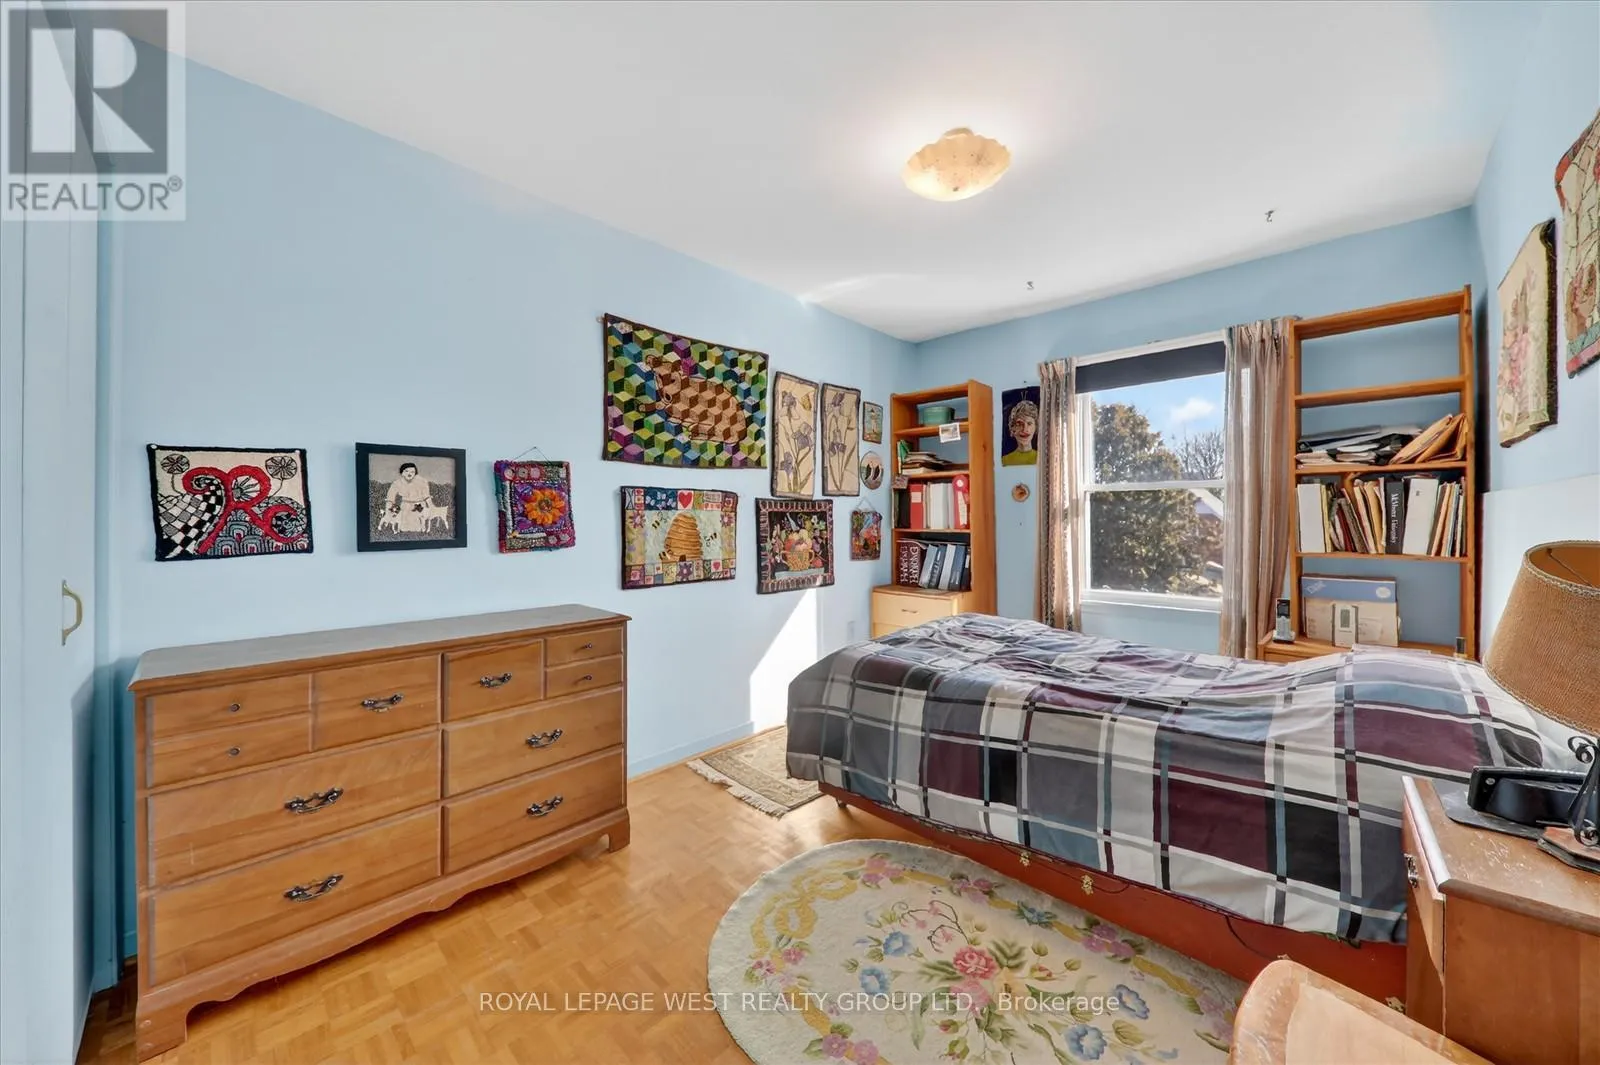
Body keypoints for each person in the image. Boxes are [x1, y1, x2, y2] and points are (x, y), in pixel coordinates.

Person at [385, 461, 433, 533]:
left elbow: (427, 496)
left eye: (412, 472)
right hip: (405, 507)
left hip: (419, 506)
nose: (409, 473)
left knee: (418, 529)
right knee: (404, 529)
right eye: (406, 471)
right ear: (402, 472)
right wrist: (387, 512)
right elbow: (390, 498)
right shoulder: (397, 483)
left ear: (415, 473)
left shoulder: (422, 481)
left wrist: (431, 508)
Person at [1002, 398, 1038, 466]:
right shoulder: (1004, 461)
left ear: (1035, 427)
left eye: (1029, 423)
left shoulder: (1042, 459)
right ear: (1012, 428)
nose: (1024, 429)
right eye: (1019, 424)